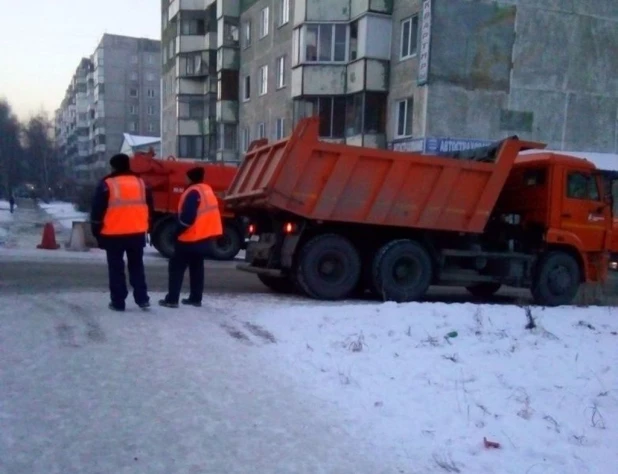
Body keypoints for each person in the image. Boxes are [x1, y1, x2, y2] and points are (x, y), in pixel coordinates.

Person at [90, 153, 154, 311]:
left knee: (116, 269)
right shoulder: (141, 183)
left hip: (113, 234)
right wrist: (148, 226)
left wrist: (96, 230)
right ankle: (142, 298)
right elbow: (150, 207)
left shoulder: (107, 184)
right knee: (137, 266)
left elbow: (97, 210)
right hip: (137, 232)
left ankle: (118, 302)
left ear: (113, 166)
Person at [159, 166, 223, 308]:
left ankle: (172, 299)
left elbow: (188, 218)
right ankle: (195, 298)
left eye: (186, 177)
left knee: (176, 267)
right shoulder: (207, 190)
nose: (184, 179)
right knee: (197, 268)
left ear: (190, 178)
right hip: (204, 236)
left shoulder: (192, 192)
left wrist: (177, 231)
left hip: (189, 237)